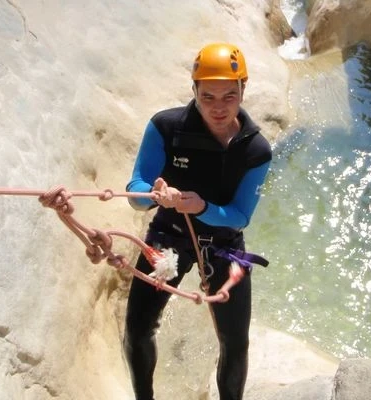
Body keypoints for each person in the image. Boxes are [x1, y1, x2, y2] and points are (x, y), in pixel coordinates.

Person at [123, 42, 272, 400]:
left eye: (229, 96)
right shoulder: (166, 127)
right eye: (208, 97)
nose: (218, 107)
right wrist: (153, 194)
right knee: (137, 330)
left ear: (242, 91)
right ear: (194, 91)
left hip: (222, 244)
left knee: (235, 342)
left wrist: (201, 206)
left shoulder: (256, 150)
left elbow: (239, 216)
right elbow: (135, 189)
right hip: (168, 235)